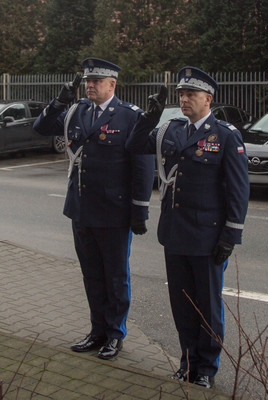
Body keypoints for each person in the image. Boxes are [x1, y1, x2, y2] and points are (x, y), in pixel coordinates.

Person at [126, 66, 249, 388]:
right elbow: (135, 145)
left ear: (207, 99)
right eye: (181, 94)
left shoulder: (225, 135)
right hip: (175, 233)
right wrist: (148, 118)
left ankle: (206, 368)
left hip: (207, 236)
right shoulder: (170, 130)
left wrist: (231, 234)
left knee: (207, 306)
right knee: (181, 305)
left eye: (191, 95)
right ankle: (188, 362)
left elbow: (238, 190)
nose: (184, 100)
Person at [33, 57, 154, 360]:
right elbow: (41, 128)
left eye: (96, 81)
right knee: (92, 274)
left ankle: (115, 334)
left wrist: (139, 210)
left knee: (115, 276)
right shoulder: (76, 110)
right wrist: (60, 100)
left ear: (112, 84)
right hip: (81, 208)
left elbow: (143, 167)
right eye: (87, 81)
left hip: (113, 212)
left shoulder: (129, 117)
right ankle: (97, 330)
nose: (89, 86)